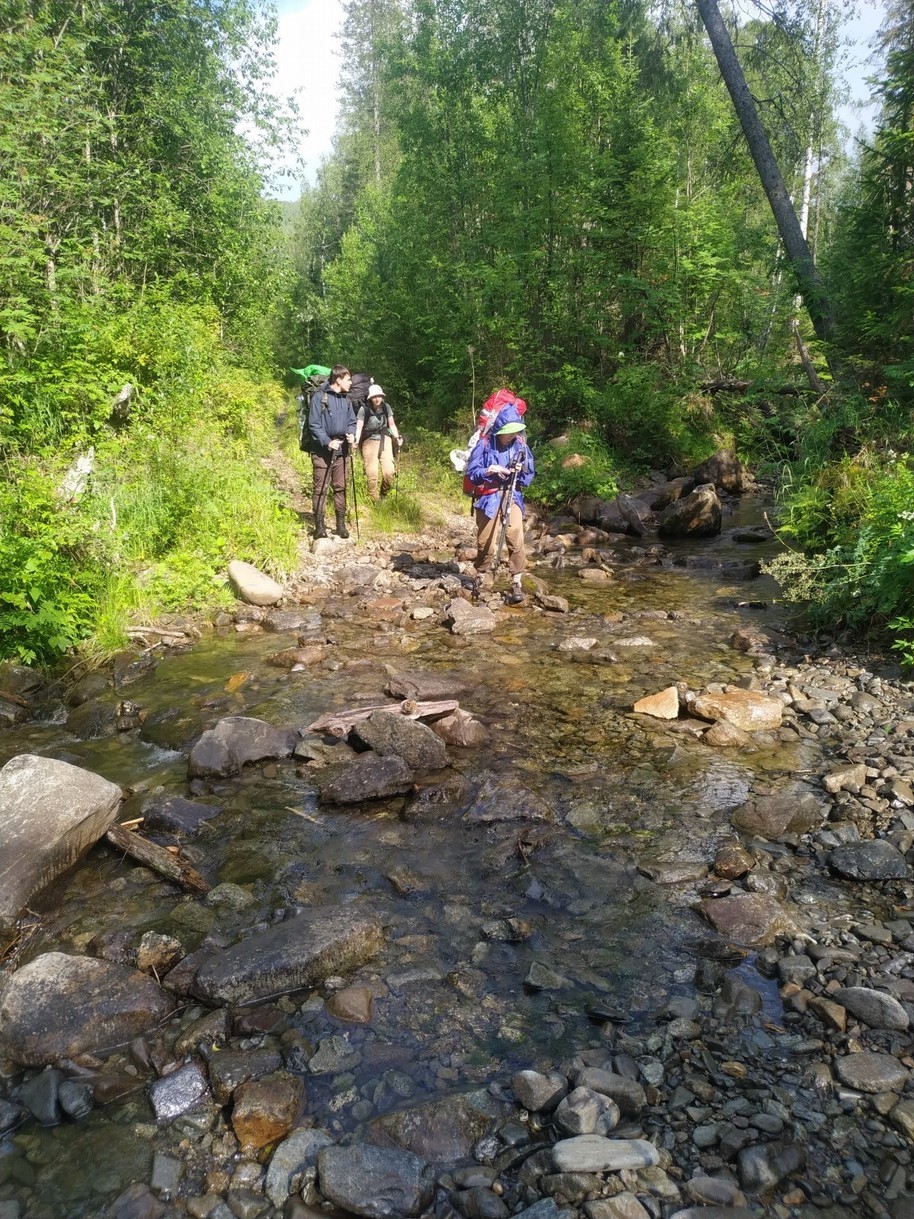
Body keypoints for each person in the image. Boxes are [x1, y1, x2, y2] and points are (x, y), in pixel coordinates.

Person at [465, 403, 534, 604]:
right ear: (499, 431)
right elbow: (472, 474)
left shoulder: (521, 444)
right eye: (508, 433)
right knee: (486, 541)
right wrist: (490, 470)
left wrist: (521, 470)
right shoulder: (485, 445)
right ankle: (480, 574)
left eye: (514, 432)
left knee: (515, 535)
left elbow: (529, 474)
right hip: (489, 497)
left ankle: (516, 580)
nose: (511, 436)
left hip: (512, 495)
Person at [308, 365, 356, 538]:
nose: (351, 383)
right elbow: (313, 424)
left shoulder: (346, 399)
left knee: (340, 487)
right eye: (348, 379)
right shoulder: (319, 398)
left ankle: (340, 525)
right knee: (320, 488)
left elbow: (352, 421)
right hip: (322, 450)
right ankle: (319, 526)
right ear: (338, 379)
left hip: (342, 450)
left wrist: (351, 434)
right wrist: (328, 442)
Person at [353, 384, 402, 501]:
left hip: (385, 439)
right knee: (372, 473)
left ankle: (383, 495)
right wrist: (355, 441)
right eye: (375, 396)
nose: (377, 399)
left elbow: (392, 425)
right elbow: (358, 428)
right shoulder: (363, 410)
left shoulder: (386, 407)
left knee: (389, 471)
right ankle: (373, 500)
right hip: (368, 441)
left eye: (379, 396)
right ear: (370, 398)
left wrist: (397, 437)